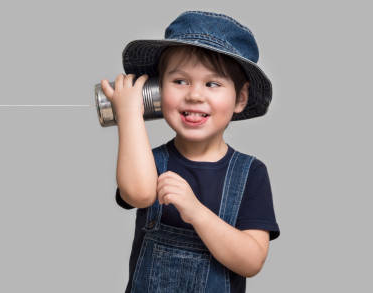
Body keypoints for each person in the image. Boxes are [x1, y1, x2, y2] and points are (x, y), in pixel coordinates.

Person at [100, 11, 280, 293]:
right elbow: (138, 193)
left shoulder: (251, 174)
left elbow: (251, 261)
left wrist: (195, 210)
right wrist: (130, 115)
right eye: (180, 81)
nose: (195, 95)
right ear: (157, 91)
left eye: (212, 84)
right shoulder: (148, 162)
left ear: (240, 98)